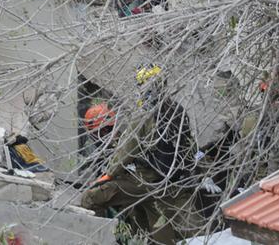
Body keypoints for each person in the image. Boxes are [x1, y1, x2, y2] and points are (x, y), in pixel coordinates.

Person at [80, 67, 197, 244]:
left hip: (148, 179)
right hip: (172, 181)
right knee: (153, 218)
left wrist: (107, 176)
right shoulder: (178, 111)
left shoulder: (144, 116)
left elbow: (125, 153)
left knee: (90, 198)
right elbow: (190, 146)